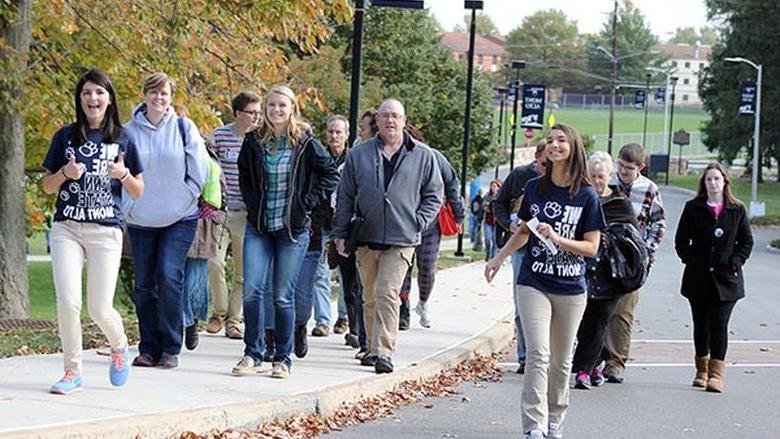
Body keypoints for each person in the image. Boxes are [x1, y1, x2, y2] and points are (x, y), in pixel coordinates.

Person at [484, 123, 605, 439]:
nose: (554, 145)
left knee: (562, 361)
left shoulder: (587, 195)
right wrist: (498, 258)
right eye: (550, 141)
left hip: (570, 288)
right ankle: (533, 425)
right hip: (533, 281)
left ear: (572, 147)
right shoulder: (535, 188)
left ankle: (555, 419)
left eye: (561, 140)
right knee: (538, 353)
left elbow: (592, 247)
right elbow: (524, 232)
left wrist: (561, 239)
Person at [42, 68, 144, 394]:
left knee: (99, 307)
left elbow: (139, 189)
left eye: (99, 92)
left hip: (106, 230)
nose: (93, 98)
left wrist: (124, 174)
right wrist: (65, 173)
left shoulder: (124, 138)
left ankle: (119, 345)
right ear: (80, 99)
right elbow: (46, 186)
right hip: (67, 228)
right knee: (68, 302)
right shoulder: (66, 136)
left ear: (109, 98)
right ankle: (72, 372)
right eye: (87, 92)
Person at [233, 85, 338, 379]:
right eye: (271, 105)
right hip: (260, 226)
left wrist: (308, 203)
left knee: (282, 295)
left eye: (282, 105)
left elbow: (330, 173)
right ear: (265, 108)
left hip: (292, 229)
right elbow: (244, 176)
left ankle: (282, 358)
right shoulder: (254, 140)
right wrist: (252, 203)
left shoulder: (305, 142)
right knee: (252, 290)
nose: (276, 110)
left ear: (292, 108)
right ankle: (252, 353)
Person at [333, 98, 443, 374]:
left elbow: (434, 195)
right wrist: (340, 232)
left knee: (387, 293)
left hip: (402, 238)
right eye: (385, 116)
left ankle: (384, 351)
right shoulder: (359, 155)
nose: (391, 121)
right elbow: (345, 195)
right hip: (366, 234)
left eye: (396, 116)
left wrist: (418, 221)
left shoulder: (423, 155)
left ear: (404, 121)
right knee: (368, 295)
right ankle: (370, 347)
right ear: (377, 121)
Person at [123, 73, 208, 370]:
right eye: (154, 93)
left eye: (165, 94)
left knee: (169, 276)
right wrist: (129, 207)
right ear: (144, 95)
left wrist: (187, 195)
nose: (159, 98)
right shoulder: (127, 132)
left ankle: (171, 346)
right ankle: (148, 347)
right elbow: (119, 175)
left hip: (179, 216)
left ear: (171, 97)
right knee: (144, 285)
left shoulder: (184, 128)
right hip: (141, 219)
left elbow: (200, 169)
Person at [675, 162, 753, 393]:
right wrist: (691, 260)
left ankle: (716, 374)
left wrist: (734, 261)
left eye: (717, 179)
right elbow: (681, 241)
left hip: (726, 280)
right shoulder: (693, 208)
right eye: (709, 179)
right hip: (698, 278)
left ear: (724, 182)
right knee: (701, 325)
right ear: (704, 183)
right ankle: (701, 370)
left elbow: (746, 242)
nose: (713, 183)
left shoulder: (736, 210)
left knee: (719, 323)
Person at [571, 151, 637, 390]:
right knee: (582, 322)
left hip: (610, 273)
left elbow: (631, 238)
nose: (597, 181)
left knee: (599, 320)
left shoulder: (621, 204)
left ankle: (583, 371)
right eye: (593, 176)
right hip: (581, 270)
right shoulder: (580, 199)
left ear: (609, 176)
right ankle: (596, 362)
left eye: (601, 176)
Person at [602, 142, 665, 384]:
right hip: (606, 257)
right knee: (599, 310)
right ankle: (597, 356)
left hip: (632, 261)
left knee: (623, 312)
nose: (624, 171)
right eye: (621, 165)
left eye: (629, 167)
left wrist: (646, 252)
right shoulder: (608, 183)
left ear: (640, 167)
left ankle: (617, 362)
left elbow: (657, 223)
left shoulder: (649, 189)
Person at [292, 115, 351, 357]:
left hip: (345, 224)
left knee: (346, 273)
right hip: (322, 220)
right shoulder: (319, 155)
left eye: (339, 132)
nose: (334, 136)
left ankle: (345, 317)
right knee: (319, 272)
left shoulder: (353, 158)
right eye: (331, 132)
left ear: (347, 134)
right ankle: (323, 320)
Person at [206, 91, 262, 340]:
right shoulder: (219, 136)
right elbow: (207, 167)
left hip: (245, 213)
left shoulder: (259, 140)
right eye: (252, 112)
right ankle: (218, 312)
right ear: (238, 114)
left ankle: (234, 320)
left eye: (259, 113)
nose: (257, 117)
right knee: (214, 262)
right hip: (219, 211)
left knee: (242, 271)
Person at [398, 125, 465, 330]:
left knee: (426, 269)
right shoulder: (396, 157)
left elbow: (452, 185)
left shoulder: (434, 157)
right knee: (403, 267)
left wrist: (459, 214)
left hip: (430, 224)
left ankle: (423, 302)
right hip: (404, 223)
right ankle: (403, 307)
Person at [493, 141, 547, 374]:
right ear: (536, 158)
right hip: (521, 247)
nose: (548, 167)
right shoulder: (520, 176)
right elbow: (498, 204)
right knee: (522, 304)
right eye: (544, 162)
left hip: (548, 250)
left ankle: (543, 353)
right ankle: (525, 357)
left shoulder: (558, 181)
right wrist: (509, 223)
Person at [183, 147, 227, 351]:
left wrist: (214, 216)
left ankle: (191, 321)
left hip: (202, 227)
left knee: (195, 278)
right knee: (173, 278)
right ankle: (182, 321)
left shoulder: (209, 163)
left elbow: (220, 199)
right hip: (174, 223)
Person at [483, 179, 502, 261]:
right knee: (487, 238)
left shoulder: (501, 196)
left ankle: (493, 256)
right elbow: (484, 206)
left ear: (498, 187)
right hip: (488, 220)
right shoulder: (487, 196)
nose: (492, 188)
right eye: (491, 186)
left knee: (495, 239)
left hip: (497, 221)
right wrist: (489, 206)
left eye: (494, 186)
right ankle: (488, 253)